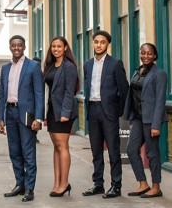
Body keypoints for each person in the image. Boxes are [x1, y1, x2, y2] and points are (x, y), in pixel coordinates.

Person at [82, 30, 129, 199]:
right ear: (93, 43)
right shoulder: (87, 64)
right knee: (96, 150)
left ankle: (116, 186)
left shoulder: (115, 64)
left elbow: (124, 90)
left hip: (109, 111)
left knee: (113, 150)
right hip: (93, 110)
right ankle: (98, 184)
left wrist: (119, 112)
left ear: (108, 44)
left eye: (102, 42)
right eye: (96, 41)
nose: (99, 45)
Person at [0, 35, 45, 202]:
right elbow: (2, 94)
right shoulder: (5, 68)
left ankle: (30, 188)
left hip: (26, 115)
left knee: (28, 152)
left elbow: (39, 93)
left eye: (19, 45)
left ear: (24, 47)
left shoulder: (33, 66)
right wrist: (1, 118)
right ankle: (20, 184)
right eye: (13, 45)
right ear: (10, 47)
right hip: (10, 113)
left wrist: (39, 118)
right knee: (15, 152)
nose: (16, 48)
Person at [124, 43, 167, 198]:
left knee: (152, 152)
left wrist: (156, 125)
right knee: (131, 149)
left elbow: (160, 100)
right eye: (143, 53)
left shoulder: (159, 74)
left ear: (154, 55)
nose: (146, 56)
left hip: (150, 120)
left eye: (149, 53)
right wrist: (130, 116)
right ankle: (143, 183)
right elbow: (132, 95)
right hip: (137, 118)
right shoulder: (137, 71)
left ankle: (156, 186)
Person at [43, 37, 80, 197]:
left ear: (65, 48)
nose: (56, 49)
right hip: (52, 110)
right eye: (53, 46)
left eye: (59, 46)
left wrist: (65, 113)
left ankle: (64, 183)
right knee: (56, 147)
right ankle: (57, 182)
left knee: (62, 146)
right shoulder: (50, 65)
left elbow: (69, 91)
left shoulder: (69, 67)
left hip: (64, 112)